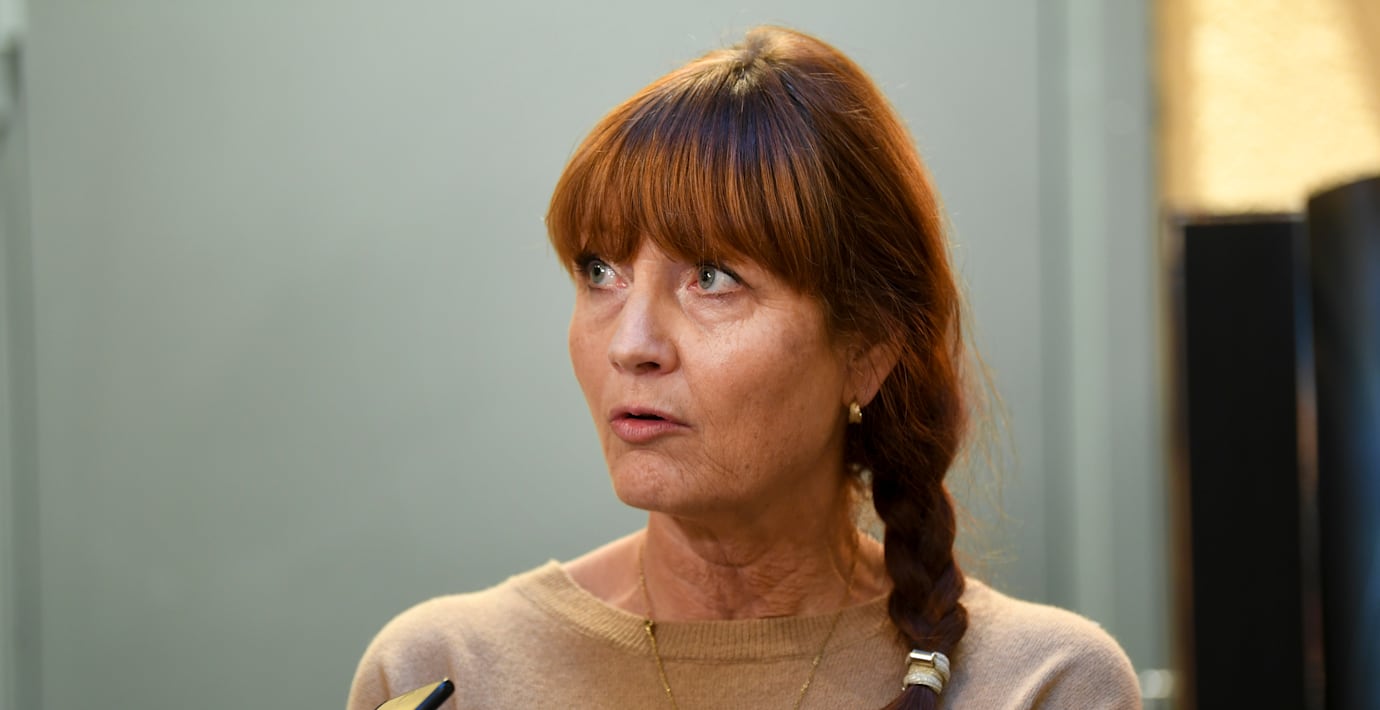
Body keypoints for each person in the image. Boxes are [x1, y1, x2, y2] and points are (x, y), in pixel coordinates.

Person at [348, 26, 1141, 710]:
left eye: (712, 278)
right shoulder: (444, 672)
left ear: (868, 350)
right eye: (600, 272)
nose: (631, 343)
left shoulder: (1042, 683)